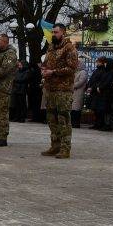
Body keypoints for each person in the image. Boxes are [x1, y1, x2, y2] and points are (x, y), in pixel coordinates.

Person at [41, 22, 79, 158]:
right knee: (51, 119)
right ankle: (55, 145)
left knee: (63, 119)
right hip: (50, 88)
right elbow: (46, 63)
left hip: (63, 89)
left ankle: (65, 148)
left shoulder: (69, 48)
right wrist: (44, 69)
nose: (53, 34)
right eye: (52, 32)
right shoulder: (51, 47)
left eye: (56, 32)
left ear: (63, 33)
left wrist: (53, 72)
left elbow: (71, 68)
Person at [71, 63, 88, 129]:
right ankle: (73, 122)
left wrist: (73, 86)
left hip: (79, 91)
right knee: (73, 108)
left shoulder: (83, 72)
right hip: (74, 92)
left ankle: (76, 123)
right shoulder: (76, 72)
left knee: (76, 108)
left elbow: (81, 81)